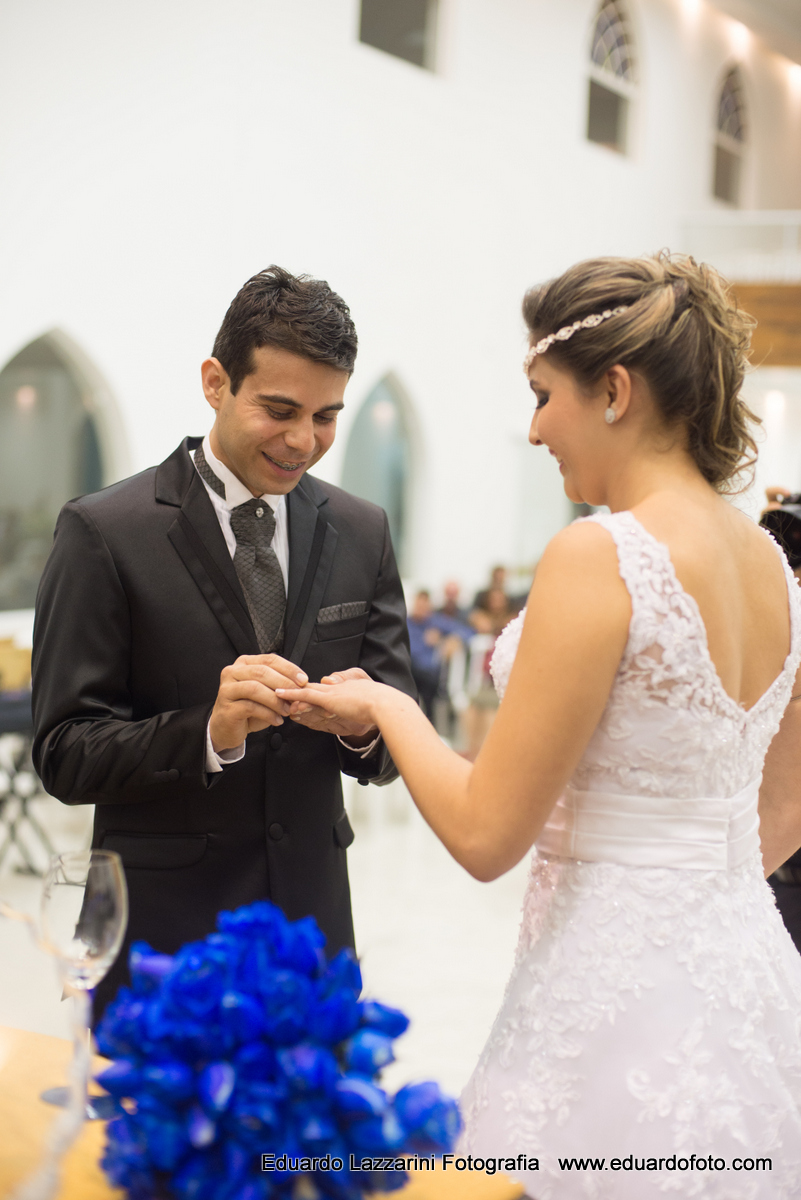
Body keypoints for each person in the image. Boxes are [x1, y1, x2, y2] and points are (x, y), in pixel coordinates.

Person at [277, 253, 801, 1196]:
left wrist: (392, 706)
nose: (532, 431)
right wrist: (685, 888)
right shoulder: (773, 567)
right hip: (751, 985)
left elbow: (485, 837)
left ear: (613, 390)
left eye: (541, 395)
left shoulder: (598, 555)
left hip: (615, 998)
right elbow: (782, 813)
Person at [31, 265, 416, 1020]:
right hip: (164, 940)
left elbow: (399, 722)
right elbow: (64, 751)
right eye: (279, 409)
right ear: (215, 382)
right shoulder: (104, 532)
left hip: (311, 934)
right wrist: (206, 731)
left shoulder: (361, 529)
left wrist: (367, 728)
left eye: (327, 415)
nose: (304, 440)